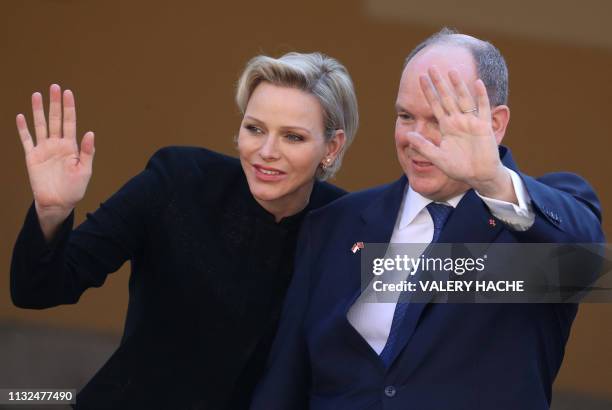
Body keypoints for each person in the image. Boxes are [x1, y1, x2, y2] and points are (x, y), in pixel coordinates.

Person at [250, 29, 605, 409]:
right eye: (405, 116)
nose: (416, 138)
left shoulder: (525, 223)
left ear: (495, 123)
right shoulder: (335, 225)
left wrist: (491, 180)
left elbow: (586, 268)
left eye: (438, 120)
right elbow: (284, 383)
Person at [10, 51, 358, 409]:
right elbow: (36, 290)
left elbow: (399, 350)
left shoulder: (352, 227)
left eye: (293, 137)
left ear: (331, 148)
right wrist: (51, 210)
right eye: (255, 128)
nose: (267, 151)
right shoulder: (176, 179)